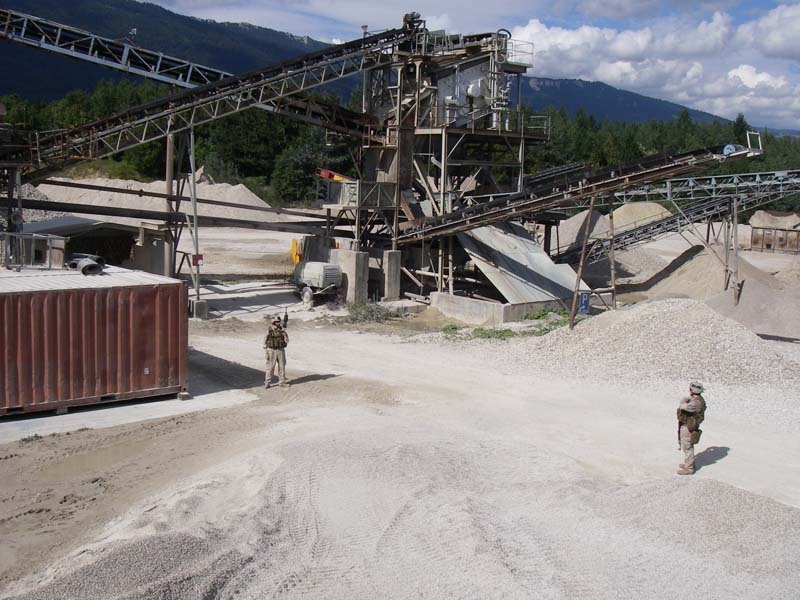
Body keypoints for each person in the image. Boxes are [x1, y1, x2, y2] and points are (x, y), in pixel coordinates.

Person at [676, 382, 706, 475]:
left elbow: (682, 406)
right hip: (689, 425)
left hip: (688, 426)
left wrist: (684, 401)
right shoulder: (698, 400)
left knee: (687, 446)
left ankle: (689, 468)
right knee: (687, 445)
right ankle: (688, 463)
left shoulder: (695, 402)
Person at [263, 314, 289, 388]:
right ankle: (267, 383)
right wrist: (265, 346)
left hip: (280, 350)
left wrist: (284, 333)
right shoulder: (270, 329)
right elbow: (265, 337)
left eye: (279, 321)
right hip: (271, 350)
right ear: (273, 322)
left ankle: (282, 382)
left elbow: (287, 340)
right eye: (276, 321)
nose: (278, 323)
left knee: (282, 366)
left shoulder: (281, 329)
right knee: (270, 367)